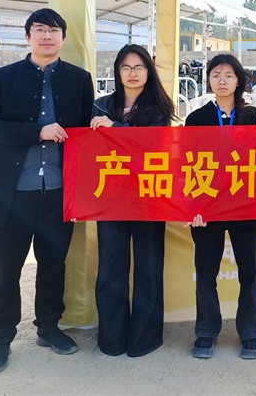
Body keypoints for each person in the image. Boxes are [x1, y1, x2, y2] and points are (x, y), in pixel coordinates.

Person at [0, 8, 94, 374]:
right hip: (11, 192)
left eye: (53, 30)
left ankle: (49, 328)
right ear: (27, 36)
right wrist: (37, 132)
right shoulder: (3, 77)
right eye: (39, 29)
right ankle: (0, 339)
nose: (47, 36)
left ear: (63, 38)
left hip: (58, 190)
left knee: (53, 265)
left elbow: (85, 125)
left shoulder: (79, 80)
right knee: (6, 268)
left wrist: (101, 120)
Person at [185, 54, 256, 360]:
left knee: (250, 272)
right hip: (207, 204)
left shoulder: (253, 116)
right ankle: (206, 331)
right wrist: (192, 207)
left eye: (228, 75)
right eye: (215, 75)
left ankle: (250, 332)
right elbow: (188, 164)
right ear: (208, 80)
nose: (221, 80)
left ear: (239, 80)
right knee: (205, 272)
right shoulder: (196, 119)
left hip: (246, 203)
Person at [89, 45, 176, 357]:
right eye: (125, 68)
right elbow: (89, 151)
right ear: (117, 71)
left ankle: (145, 338)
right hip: (110, 196)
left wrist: (115, 129)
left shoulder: (159, 109)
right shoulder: (100, 106)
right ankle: (111, 338)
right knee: (110, 269)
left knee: (148, 268)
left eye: (139, 67)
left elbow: (151, 148)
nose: (132, 74)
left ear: (148, 71)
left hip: (148, 196)